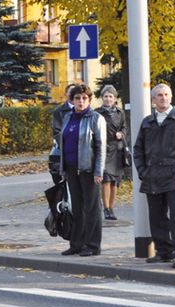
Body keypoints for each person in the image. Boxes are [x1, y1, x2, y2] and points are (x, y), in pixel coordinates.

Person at [133, 83, 175, 268]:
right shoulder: (147, 122)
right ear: (153, 99)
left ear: (171, 96)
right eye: (159, 95)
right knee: (156, 216)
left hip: (173, 174)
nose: (163, 98)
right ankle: (163, 251)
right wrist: (143, 171)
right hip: (152, 174)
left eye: (166, 94)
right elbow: (138, 150)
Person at [58, 83, 106, 257]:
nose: (81, 101)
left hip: (89, 170)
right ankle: (76, 243)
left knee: (91, 208)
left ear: (89, 100)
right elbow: (63, 144)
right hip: (71, 169)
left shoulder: (95, 118)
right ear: (72, 100)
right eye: (77, 98)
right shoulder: (68, 117)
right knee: (76, 208)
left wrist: (98, 171)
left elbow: (101, 147)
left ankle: (92, 245)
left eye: (84, 98)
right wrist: (63, 168)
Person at [95, 85, 127, 220]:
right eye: (106, 96)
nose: (108, 99)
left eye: (110, 96)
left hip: (117, 149)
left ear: (115, 98)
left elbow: (125, 128)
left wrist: (122, 134)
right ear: (102, 98)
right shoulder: (97, 113)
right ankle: (106, 208)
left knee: (115, 181)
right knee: (106, 180)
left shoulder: (120, 113)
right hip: (104, 149)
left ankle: (112, 208)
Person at [50, 83, 76, 184]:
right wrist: (66, 144)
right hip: (63, 149)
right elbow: (56, 131)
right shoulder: (59, 111)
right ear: (66, 94)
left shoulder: (84, 110)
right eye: (71, 92)